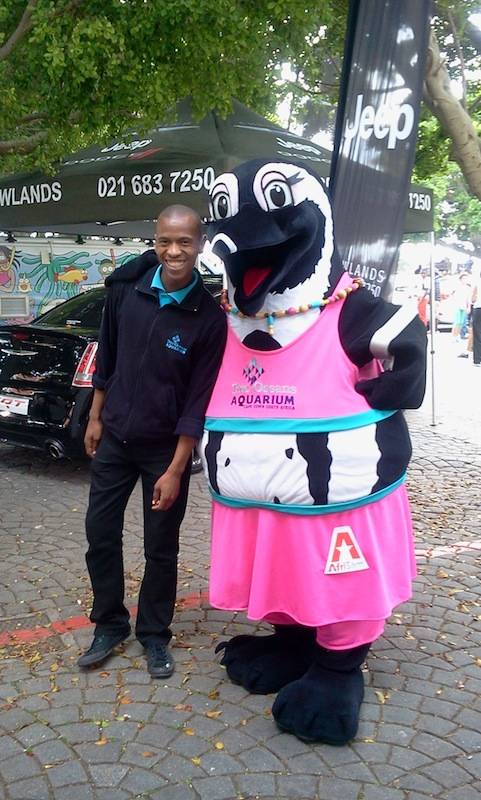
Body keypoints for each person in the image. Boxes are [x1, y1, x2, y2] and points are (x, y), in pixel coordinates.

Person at [77, 205, 227, 677]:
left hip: (164, 451)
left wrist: (176, 469)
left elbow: (197, 404)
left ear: (200, 246)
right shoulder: (128, 291)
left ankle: (155, 635)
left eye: (184, 242)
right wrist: (95, 417)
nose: (173, 251)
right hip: (115, 439)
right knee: (100, 533)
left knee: (160, 547)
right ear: (155, 241)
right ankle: (109, 624)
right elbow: (107, 357)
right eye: (165, 241)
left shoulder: (209, 319)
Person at [471, 266, 481, 366]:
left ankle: (477, 360)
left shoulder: (477, 284)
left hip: (478, 309)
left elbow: (473, 299)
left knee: (477, 334)